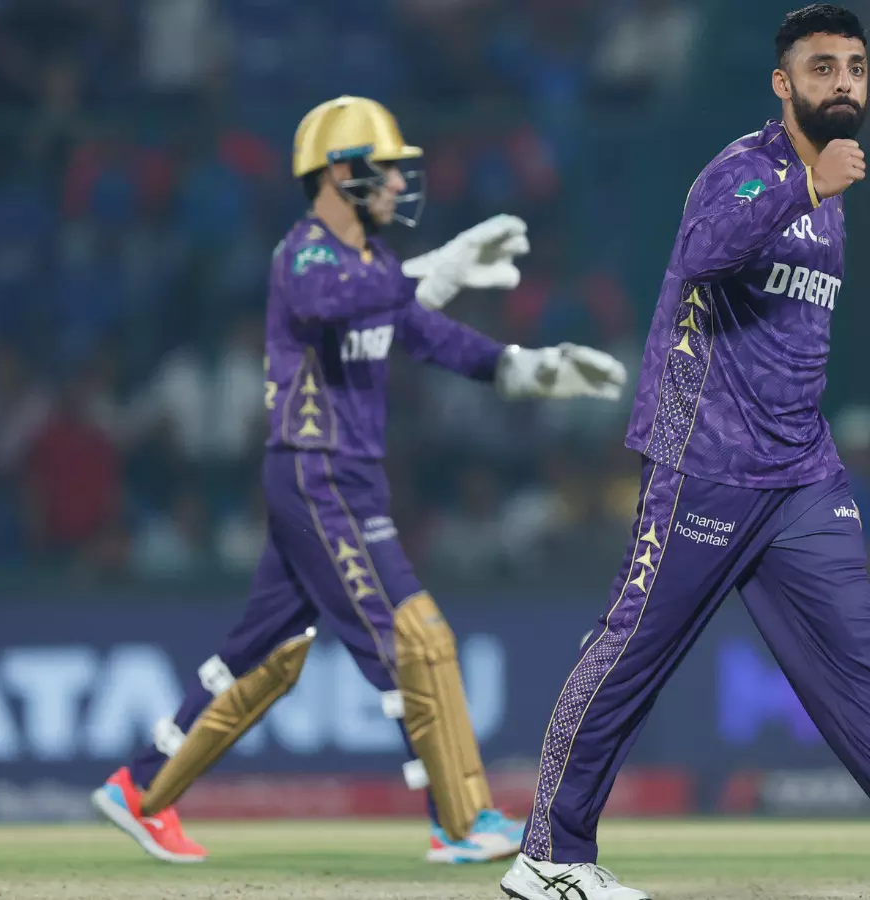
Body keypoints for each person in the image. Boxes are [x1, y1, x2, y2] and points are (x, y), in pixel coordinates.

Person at [500, 7, 870, 900]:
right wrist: (803, 184)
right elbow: (701, 253)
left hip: (800, 469)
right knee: (631, 651)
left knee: (860, 657)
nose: (843, 82)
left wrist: (816, 190)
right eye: (822, 66)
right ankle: (550, 856)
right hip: (706, 460)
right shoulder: (745, 170)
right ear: (783, 83)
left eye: (856, 68)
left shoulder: (832, 193)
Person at [90, 96, 627, 866]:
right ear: (340, 173)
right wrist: (432, 269)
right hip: (319, 471)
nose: (400, 184)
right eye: (386, 170)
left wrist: (527, 368)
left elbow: (432, 336)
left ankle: (139, 789)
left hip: (340, 478)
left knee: (268, 655)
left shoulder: (374, 266)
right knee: (414, 637)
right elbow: (334, 299)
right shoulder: (306, 254)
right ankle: (461, 820)